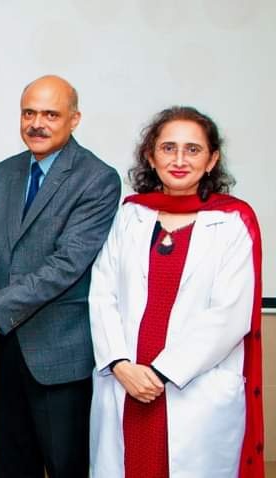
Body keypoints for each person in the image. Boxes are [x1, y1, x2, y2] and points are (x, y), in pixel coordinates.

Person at [0, 75, 121, 477]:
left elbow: (64, 267)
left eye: (50, 114)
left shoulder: (97, 178)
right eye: (29, 113)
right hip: (7, 350)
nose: (37, 123)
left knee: (65, 467)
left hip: (60, 356)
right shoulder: (6, 172)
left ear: (75, 119)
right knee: (10, 466)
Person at [89, 106, 264, 478]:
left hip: (189, 387)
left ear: (212, 159)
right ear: (151, 157)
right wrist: (120, 364)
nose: (179, 160)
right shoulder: (131, 215)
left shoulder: (232, 222)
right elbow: (103, 293)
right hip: (127, 382)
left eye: (193, 149)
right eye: (168, 148)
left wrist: (159, 372)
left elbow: (229, 315)